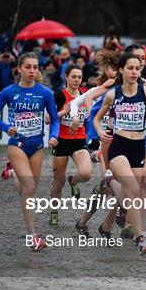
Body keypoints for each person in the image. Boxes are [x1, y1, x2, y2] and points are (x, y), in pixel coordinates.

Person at [93, 53, 146, 255]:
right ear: (121, 70)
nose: (134, 72)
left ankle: (109, 191)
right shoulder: (113, 94)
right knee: (133, 188)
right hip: (119, 146)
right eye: (130, 68)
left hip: (138, 147)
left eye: (138, 68)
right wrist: (100, 131)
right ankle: (141, 237)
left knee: (130, 193)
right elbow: (97, 118)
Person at [0, 52, 59, 251]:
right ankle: (33, 236)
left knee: (29, 190)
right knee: (29, 189)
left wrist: (53, 136)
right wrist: (5, 127)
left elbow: (54, 119)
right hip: (16, 145)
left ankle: (12, 173)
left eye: (35, 67)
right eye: (28, 67)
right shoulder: (9, 92)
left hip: (37, 146)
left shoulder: (45, 93)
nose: (32, 71)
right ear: (19, 68)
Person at [49, 65, 92, 230]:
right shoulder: (59, 96)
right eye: (73, 77)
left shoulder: (84, 96)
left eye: (79, 77)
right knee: (58, 181)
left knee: (86, 173)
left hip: (79, 140)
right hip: (61, 141)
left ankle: (73, 181)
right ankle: (54, 212)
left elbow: (89, 117)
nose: (76, 80)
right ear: (66, 77)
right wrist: (64, 112)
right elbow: (48, 119)